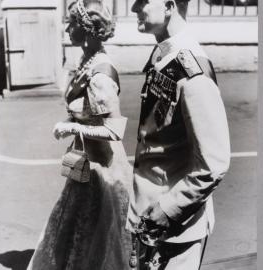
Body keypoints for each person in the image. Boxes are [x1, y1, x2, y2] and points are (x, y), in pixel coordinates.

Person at [27, 0, 132, 269]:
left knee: (97, 232)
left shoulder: (100, 74)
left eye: (71, 24)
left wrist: (71, 127)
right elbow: (83, 110)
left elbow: (114, 130)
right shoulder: (86, 60)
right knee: (76, 224)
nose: (66, 30)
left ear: (85, 29)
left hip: (102, 167)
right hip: (83, 156)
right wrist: (72, 122)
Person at [126, 0, 231, 269]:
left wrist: (168, 210)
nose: (134, 8)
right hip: (149, 216)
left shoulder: (191, 69)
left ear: (170, 5)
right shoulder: (165, 54)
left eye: (143, 1)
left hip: (175, 229)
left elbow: (214, 163)